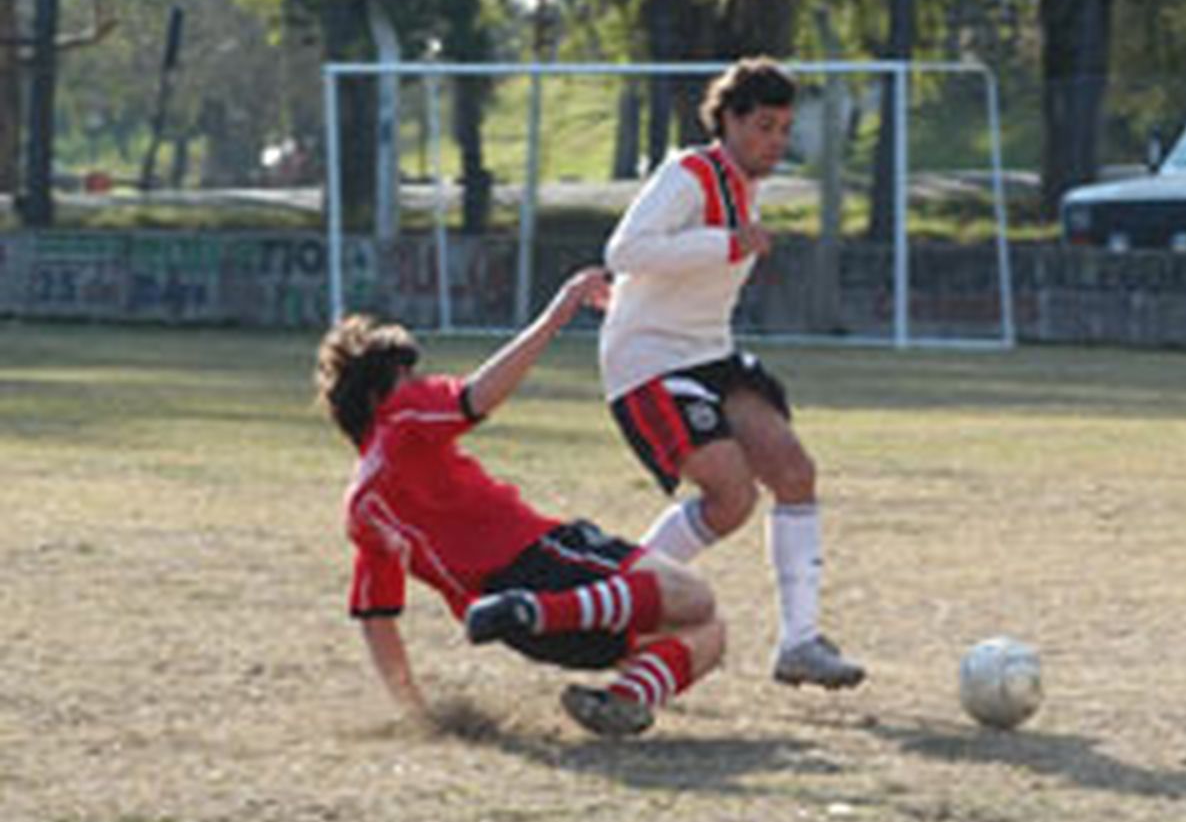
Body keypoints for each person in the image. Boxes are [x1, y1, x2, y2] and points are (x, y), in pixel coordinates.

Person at [315, 268, 724, 738]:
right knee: (696, 597)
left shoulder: (361, 507)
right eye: (407, 375)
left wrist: (416, 711)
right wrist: (557, 313)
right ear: (375, 397)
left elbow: (377, 620)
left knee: (708, 635)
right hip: (541, 564)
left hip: (521, 633)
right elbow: (477, 396)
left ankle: (624, 698)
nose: (419, 381)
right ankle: (540, 608)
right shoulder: (401, 416)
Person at [598, 57, 865, 690]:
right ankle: (623, 604)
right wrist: (724, 244)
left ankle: (800, 644)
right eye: (765, 126)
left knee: (794, 471)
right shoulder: (689, 173)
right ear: (730, 121)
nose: (776, 141)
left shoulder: (746, 186)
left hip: (708, 354)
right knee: (732, 495)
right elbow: (624, 251)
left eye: (784, 129)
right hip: (648, 362)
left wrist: (725, 245)